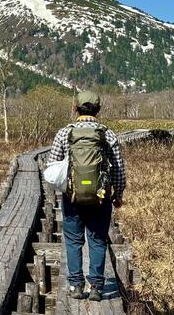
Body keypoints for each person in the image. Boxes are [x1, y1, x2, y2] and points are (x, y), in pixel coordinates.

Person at [47, 90, 126, 301]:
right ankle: (97, 287)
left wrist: (64, 188)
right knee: (98, 240)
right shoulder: (107, 134)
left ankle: (76, 286)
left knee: (73, 241)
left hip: (72, 198)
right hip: (100, 197)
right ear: (98, 110)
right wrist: (117, 194)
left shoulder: (65, 133)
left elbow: (52, 167)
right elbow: (118, 168)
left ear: (76, 108)